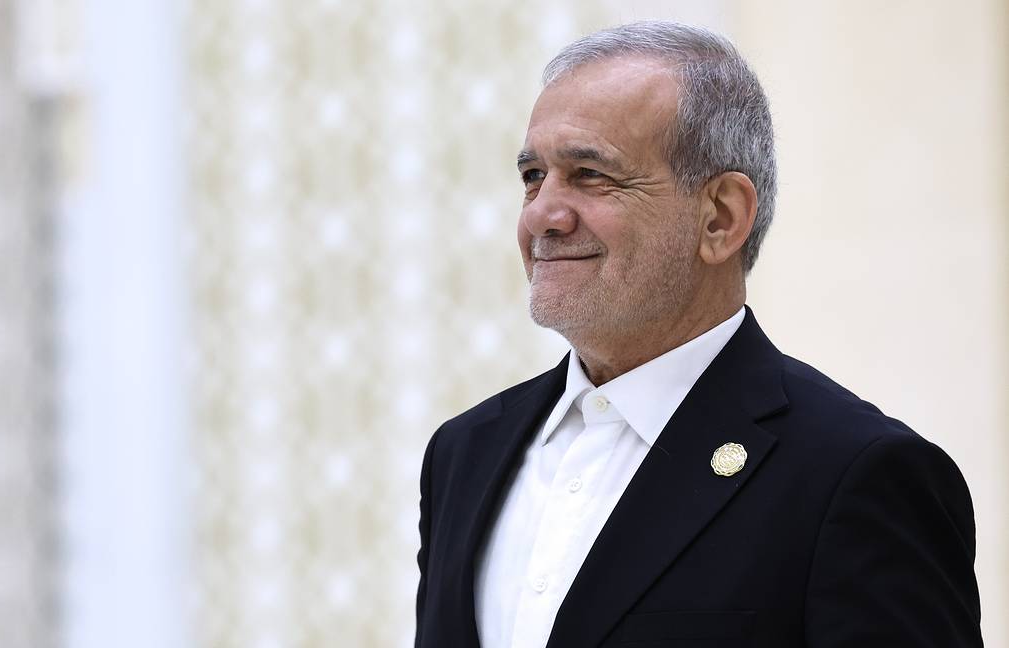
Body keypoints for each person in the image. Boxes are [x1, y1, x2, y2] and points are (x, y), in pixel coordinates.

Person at [414, 21, 982, 648]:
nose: (542, 215)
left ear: (720, 218)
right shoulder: (463, 453)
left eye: (590, 174)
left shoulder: (856, 474)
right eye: (532, 176)